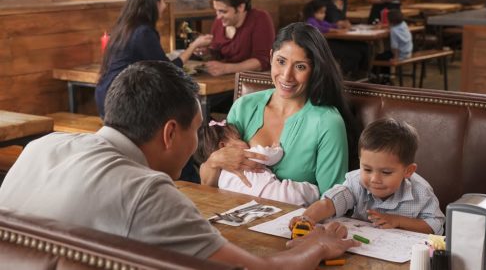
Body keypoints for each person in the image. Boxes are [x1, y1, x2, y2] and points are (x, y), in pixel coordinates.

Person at [0, 61, 359, 270]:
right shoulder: (146, 191)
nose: (196, 143)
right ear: (171, 133)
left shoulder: (40, 147)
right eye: (197, 131)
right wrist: (319, 246)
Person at [200, 22, 359, 197]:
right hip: (237, 217)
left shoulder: (327, 122)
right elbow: (209, 188)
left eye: (300, 66)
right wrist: (214, 161)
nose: (286, 76)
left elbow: (333, 199)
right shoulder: (243, 107)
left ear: (315, 70)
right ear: (270, 57)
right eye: (281, 62)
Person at [290, 118, 445, 235]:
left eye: (386, 172)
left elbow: (436, 225)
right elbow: (328, 204)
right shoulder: (356, 183)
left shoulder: (421, 192)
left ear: (408, 171)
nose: (374, 179)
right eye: (367, 169)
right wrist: (306, 219)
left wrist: (398, 221)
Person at [95, 0, 212, 117]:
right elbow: (169, 70)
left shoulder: (124, 28)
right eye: (163, 0)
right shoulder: (143, 32)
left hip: (106, 95)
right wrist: (194, 45)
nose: (164, 6)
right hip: (120, 103)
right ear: (153, 3)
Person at [195, 119, 319, 206]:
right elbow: (269, 156)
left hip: (252, 206)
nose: (245, 142)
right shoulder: (246, 155)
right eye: (238, 139)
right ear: (223, 146)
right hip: (274, 194)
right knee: (305, 191)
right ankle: (317, 195)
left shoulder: (220, 177)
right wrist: (277, 149)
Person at [202, 0, 275, 77]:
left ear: (241, 7)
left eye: (223, 11)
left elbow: (263, 61)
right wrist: (205, 52)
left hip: (251, 83)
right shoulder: (219, 22)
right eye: (216, 11)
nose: (218, 16)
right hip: (224, 80)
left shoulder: (259, 19)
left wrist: (226, 68)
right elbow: (217, 54)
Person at [314, 0, 371, 80]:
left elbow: (341, 19)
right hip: (327, 40)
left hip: (342, 37)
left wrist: (345, 23)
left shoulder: (342, 1)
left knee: (365, 47)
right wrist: (334, 25)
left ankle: (361, 79)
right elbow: (314, 22)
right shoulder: (321, 3)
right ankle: (340, 80)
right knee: (354, 54)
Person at [372, 9, 413, 84]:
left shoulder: (394, 31)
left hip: (400, 55)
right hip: (407, 52)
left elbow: (395, 47)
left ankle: (376, 77)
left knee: (379, 57)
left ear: (390, 21)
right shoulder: (403, 24)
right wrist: (383, 26)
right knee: (385, 55)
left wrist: (395, 59)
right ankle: (385, 77)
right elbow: (391, 26)